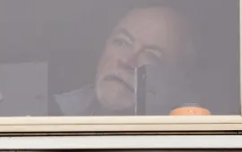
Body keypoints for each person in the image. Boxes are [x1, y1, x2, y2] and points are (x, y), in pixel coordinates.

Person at [54, 6, 198, 116]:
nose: (126, 61)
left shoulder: (189, 139)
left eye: (150, 56)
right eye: (121, 42)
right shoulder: (52, 115)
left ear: (176, 82)